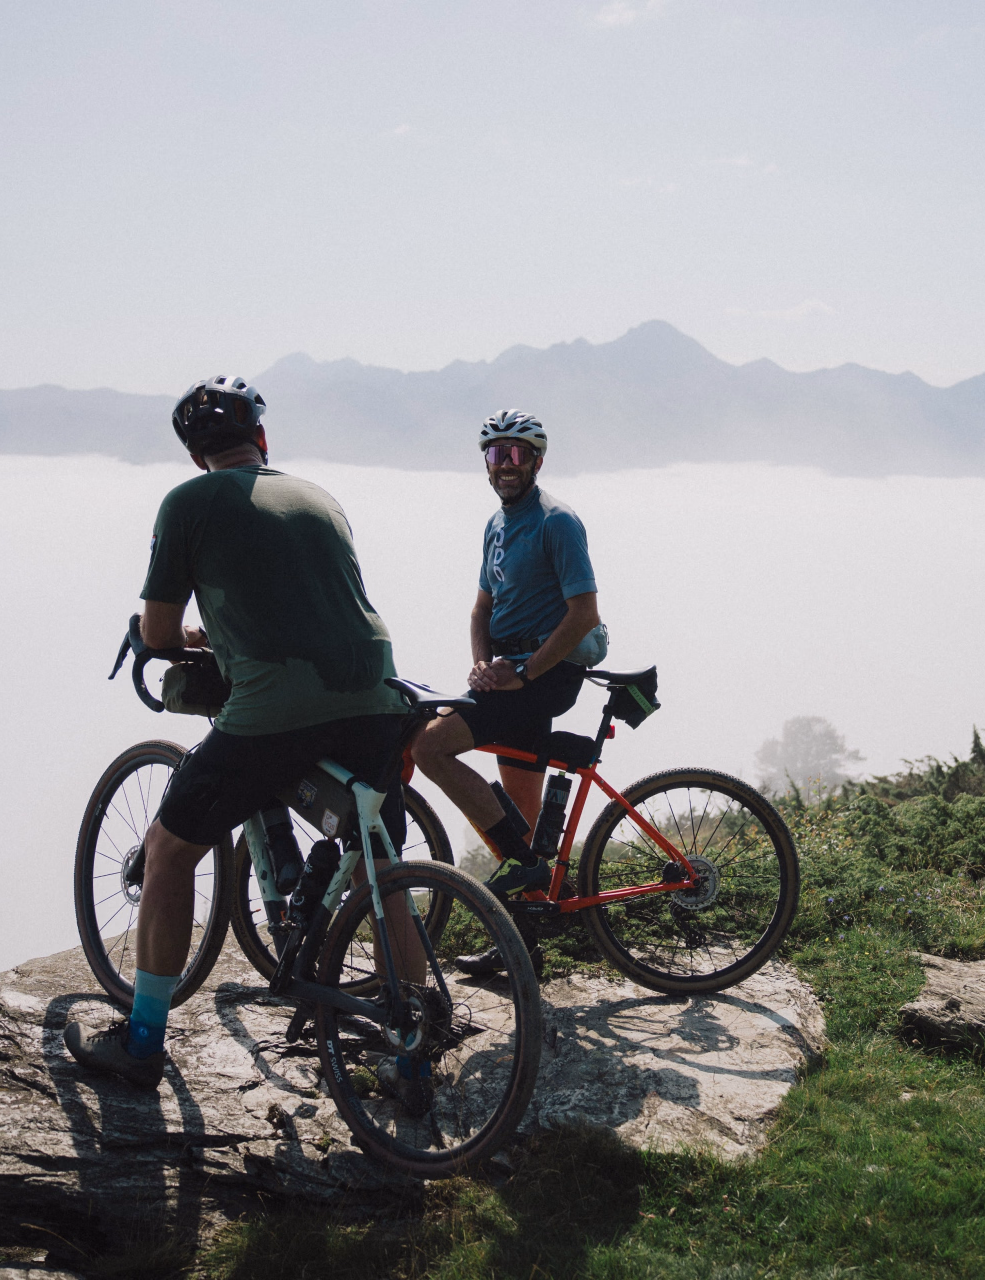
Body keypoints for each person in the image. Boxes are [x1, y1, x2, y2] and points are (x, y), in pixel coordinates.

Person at [65, 375, 426, 1099]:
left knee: (168, 853)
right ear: (262, 439)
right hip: (382, 696)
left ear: (198, 455)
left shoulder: (188, 503)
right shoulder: (320, 497)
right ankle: (411, 1035)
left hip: (275, 708)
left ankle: (141, 1043)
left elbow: (161, 632)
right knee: (379, 862)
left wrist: (168, 638)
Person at [409, 410, 606, 974]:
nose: (507, 465)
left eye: (518, 454)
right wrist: (480, 667)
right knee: (518, 805)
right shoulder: (496, 525)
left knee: (429, 747)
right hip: (508, 673)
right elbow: (481, 609)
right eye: (497, 455)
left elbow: (582, 613)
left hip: (547, 675)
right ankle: (521, 944)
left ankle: (526, 865)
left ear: (538, 461)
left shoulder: (557, 522)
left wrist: (523, 676)